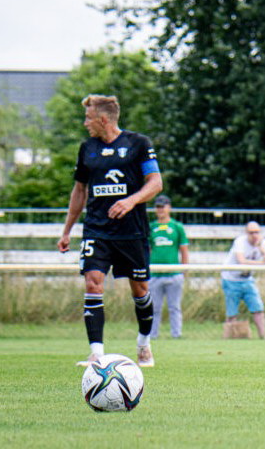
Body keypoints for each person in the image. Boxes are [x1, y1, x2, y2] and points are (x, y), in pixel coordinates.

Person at [57, 94, 163, 368]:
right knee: (93, 282)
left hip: (131, 232)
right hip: (97, 230)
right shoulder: (87, 148)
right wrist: (67, 230)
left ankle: (143, 344)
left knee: (140, 290)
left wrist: (130, 201)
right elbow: (79, 191)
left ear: (103, 119)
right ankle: (96, 353)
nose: (85, 123)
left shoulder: (139, 144)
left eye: (88, 118)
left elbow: (155, 183)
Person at [220, 221, 265, 339]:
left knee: (258, 309)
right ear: (246, 233)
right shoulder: (240, 242)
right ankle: (229, 338)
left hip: (247, 279)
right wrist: (261, 263)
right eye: (251, 233)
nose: (254, 235)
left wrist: (261, 249)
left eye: (257, 232)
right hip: (231, 278)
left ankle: (263, 337)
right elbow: (241, 260)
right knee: (232, 312)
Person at [149, 194, 189, 339]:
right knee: (154, 307)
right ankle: (152, 335)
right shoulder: (151, 227)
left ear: (169, 208)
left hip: (174, 273)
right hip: (155, 273)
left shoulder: (177, 227)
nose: (160, 210)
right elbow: (148, 250)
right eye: (158, 207)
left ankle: (176, 334)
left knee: (174, 306)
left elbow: (184, 250)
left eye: (163, 207)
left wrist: (184, 270)